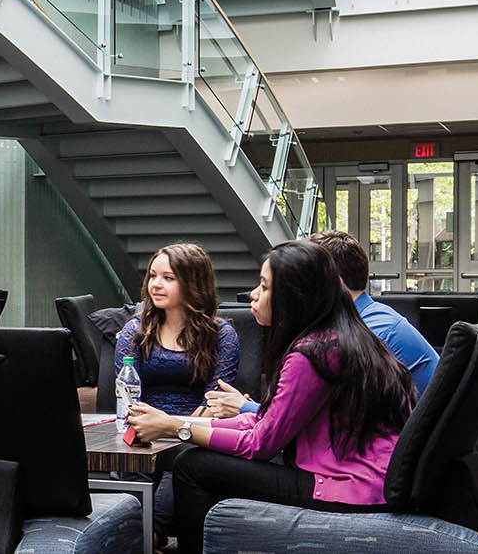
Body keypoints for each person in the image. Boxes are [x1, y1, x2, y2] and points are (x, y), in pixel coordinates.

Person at [127, 240, 415, 554]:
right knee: (201, 460)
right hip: (364, 479)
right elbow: (263, 420)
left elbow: (260, 444)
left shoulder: (310, 355)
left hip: (348, 487)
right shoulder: (336, 337)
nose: (253, 294)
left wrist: (175, 430)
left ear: (292, 297)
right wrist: (180, 422)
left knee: (192, 466)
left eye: (263, 286)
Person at [202, 231, 438, 418]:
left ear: (330, 282)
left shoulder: (366, 335)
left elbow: (318, 423)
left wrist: (246, 409)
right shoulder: (366, 321)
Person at [113, 243, 239, 416]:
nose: (155, 284)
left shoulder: (222, 335)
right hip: (143, 429)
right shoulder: (135, 330)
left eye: (168, 278)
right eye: (152, 276)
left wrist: (175, 429)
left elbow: (216, 402)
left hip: (199, 434)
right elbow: (128, 396)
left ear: (193, 284)